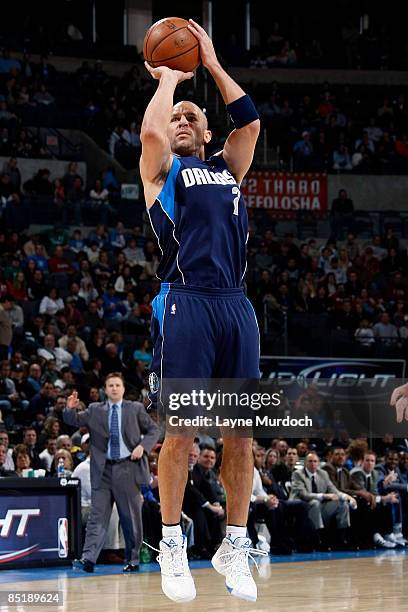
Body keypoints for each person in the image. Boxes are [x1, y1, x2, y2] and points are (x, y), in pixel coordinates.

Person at [140, 19, 261, 603]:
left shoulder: (230, 168)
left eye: (192, 117)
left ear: (209, 131)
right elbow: (150, 134)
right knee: (181, 432)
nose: (181, 123)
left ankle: (233, 543)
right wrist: (168, 78)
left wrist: (210, 62)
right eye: (177, 118)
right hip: (185, 302)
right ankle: (170, 545)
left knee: (241, 435)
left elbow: (252, 121)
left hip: (236, 306)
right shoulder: (162, 173)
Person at [63, 372, 159, 573]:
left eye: (117, 385)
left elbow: (154, 430)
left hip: (127, 468)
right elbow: (73, 420)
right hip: (103, 470)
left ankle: (133, 560)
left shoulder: (136, 409)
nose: (114, 388)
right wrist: (69, 409)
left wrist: (143, 446)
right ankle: (88, 559)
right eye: (110, 385)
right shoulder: (94, 410)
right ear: (105, 390)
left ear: (123, 389)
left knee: (130, 518)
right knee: (97, 517)